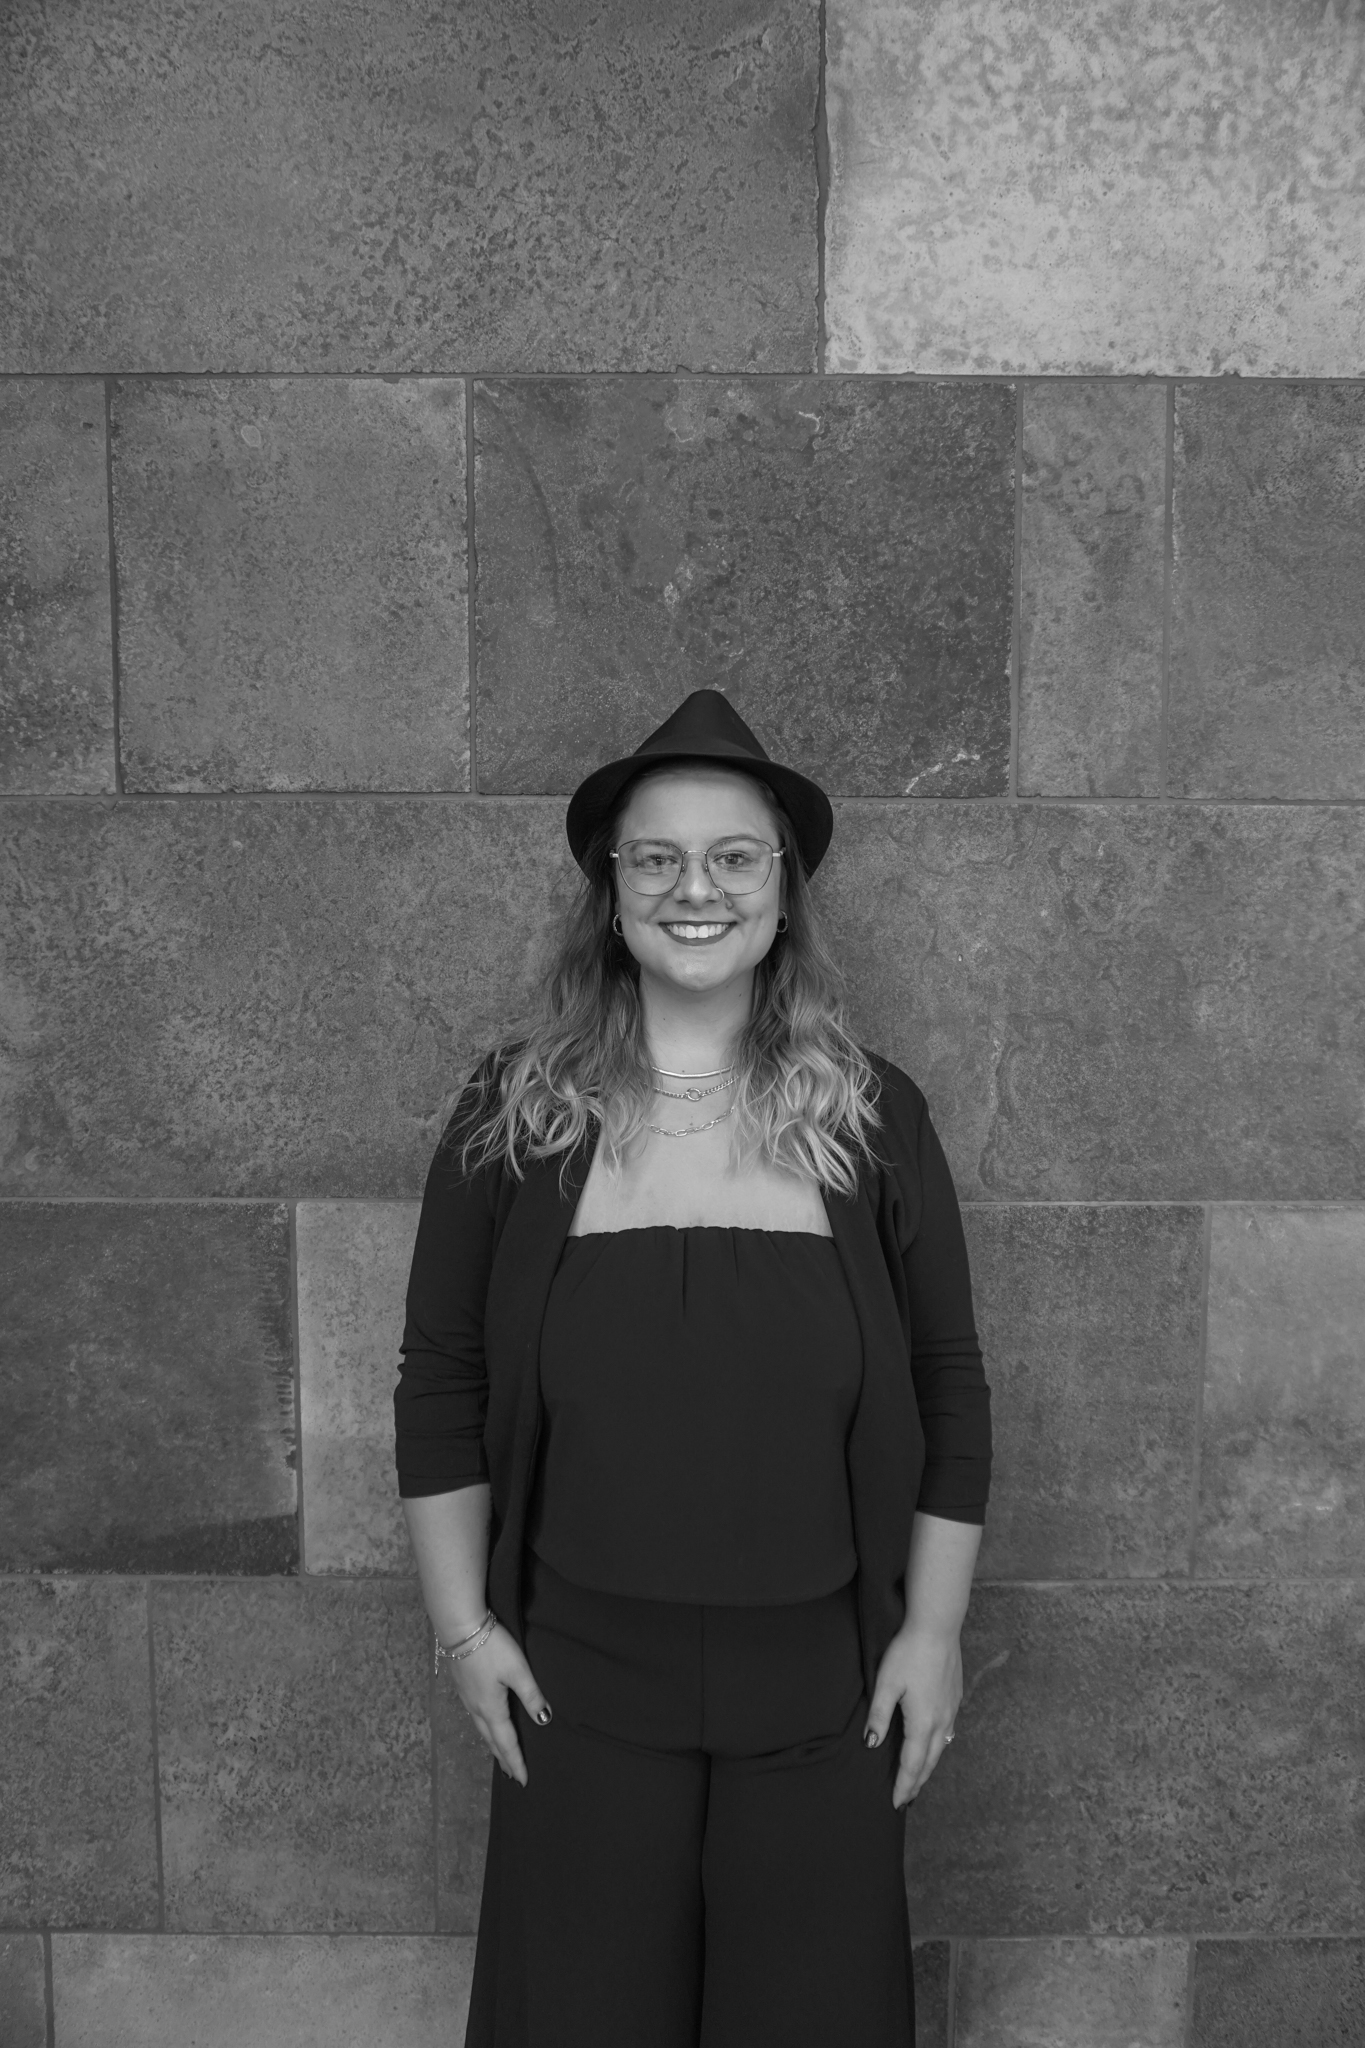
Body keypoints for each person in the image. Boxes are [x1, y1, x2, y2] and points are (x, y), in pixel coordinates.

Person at [395, 689, 992, 2048]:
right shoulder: (513, 1111)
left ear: (783, 888)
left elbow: (950, 1381)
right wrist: (463, 1632)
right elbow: (437, 1381)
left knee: (815, 2019)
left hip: (827, 1685)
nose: (694, 889)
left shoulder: (873, 1113)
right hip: (579, 1678)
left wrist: (932, 1633)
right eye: (655, 858)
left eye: (733, 856)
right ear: (609, 892)